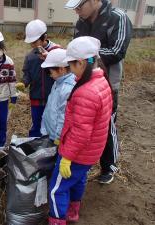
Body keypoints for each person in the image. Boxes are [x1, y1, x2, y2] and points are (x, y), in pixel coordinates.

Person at [65, 0, 132, 183]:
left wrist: (88, 54)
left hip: (107, 84)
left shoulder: (118, 18)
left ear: (94, 0)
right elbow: (75, 48)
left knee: (106, 124)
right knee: (83, 123)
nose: (77, 11)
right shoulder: (81, 22)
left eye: (79, 6)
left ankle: (108, 165)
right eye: (75, 8)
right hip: (83, 83)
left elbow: (117, 51)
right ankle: (83, 159)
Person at [48, 36, 113, 225]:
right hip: (91, 151)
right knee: (78, 179)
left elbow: (81, 132)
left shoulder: (86, 91)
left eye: (71, 64)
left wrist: (67, 156)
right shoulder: (101, 81)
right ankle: (73, 212)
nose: (70, 69)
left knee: (56, 189)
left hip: (77, 152)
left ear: (82, 62)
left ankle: (57, 221)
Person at [16, 19, 62, 137]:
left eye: (35, 42)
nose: (33, 45)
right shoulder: (31, 56)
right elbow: (27, 74)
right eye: (31, 43)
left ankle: (50, 146)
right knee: (36, 123)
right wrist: (24, 83)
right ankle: (35, 148)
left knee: (51, 123)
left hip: (53, 97)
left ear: (44, 37)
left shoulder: (57, 52)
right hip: (36, 97)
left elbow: (64, 72)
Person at [40, 49, 76, 148]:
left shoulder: (67, 89)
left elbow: (63, 116)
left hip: (57, 138)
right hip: (50, 133)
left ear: (61, 69)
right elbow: (50, 106)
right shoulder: (57, 83)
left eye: (49, 71)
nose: (49, 75)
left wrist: (58, 138)